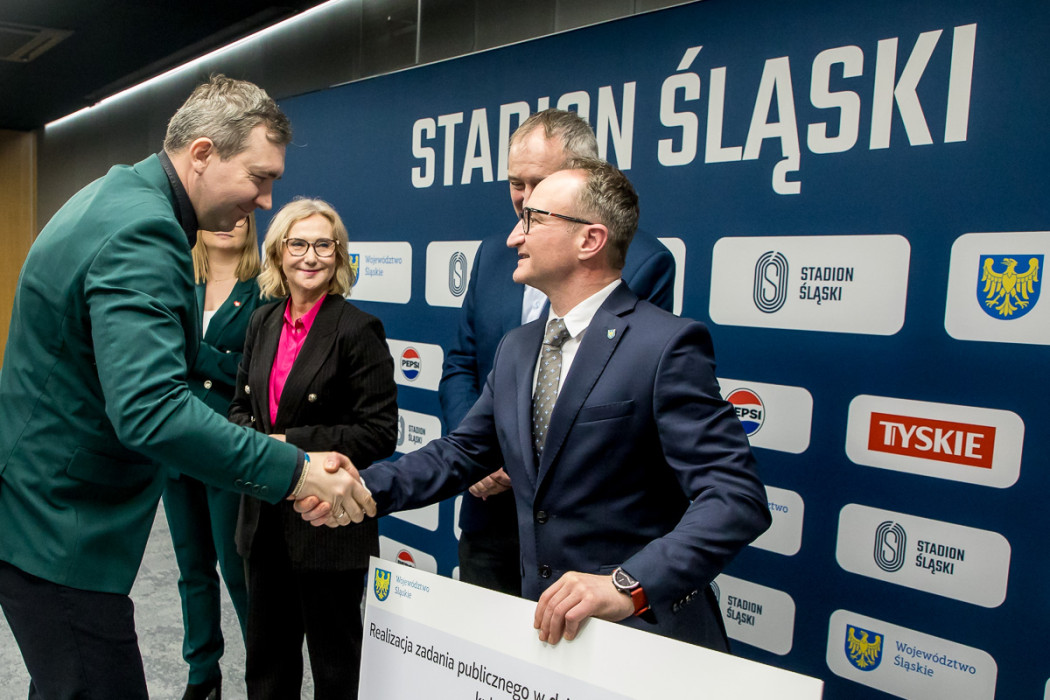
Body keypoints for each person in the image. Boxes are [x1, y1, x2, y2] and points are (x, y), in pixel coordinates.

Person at [0, 75, 371, 700]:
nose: (265, 200)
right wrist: (298, 471)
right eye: (258, 177)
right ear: (202, 153)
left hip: (39, 513)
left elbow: (148, 354)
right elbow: (151, 410)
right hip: (60, 527)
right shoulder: (144, 232)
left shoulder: (117, 195)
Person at [319, 159, 770, 649]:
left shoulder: (665, 346)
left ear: (589, 240)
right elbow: (462, 453)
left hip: (642, 638)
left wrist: (627, 585)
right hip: (548, 635)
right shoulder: (518, 347)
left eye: (533, 220)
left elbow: (735, 498)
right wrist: (359, 487)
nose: (515, 236)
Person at [440, 108, 676, 597]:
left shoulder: (644, 263)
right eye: (516, 183)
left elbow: (618, 400)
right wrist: (479, 457)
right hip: (489, 515)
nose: (524, 200)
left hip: (578, 536)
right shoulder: (494, 253)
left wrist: (519, 464)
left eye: (540, 184)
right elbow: (462, 364)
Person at [229, 198, 398, 699]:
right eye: (298, 244)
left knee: (337, 670)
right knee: (266, 667)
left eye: (324, 245)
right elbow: (239, 409)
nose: (311, 256)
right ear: (278, 253)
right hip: (263, 519)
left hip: (328, 524)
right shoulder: (261, 321)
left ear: (339, 255)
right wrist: (255, 444)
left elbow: (378, 431)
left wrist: (286, 446)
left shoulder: (358, 328)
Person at [162, 213, 264, 700]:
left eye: (239, 217)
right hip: (176, 445)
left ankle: (264, 675)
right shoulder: (180, 281)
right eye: (218, 217)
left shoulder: (264, 290)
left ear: (251, 227)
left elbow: (257, 371)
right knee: (193, 569)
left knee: (238, 570)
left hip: (229, 446)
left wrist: (198, 356)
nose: (227, 224)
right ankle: (202, 675)